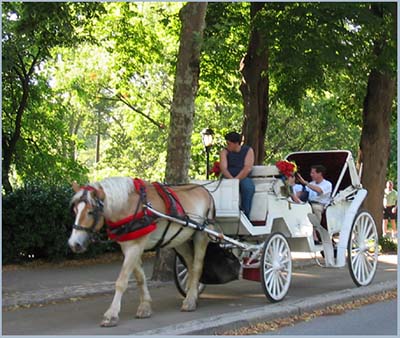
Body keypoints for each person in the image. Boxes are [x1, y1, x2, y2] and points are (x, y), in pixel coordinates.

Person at [219, 131, 255, 218]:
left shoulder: (248, 150)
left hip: (243, 176)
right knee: (220, 187)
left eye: (229, 143)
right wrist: (231, 179)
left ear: (236, 143)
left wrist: (236, 180)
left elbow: (247, 168)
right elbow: (223, 168)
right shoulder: (224, 152)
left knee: (247, 187)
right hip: (228, 177)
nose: (227, 145)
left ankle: (245, 214)